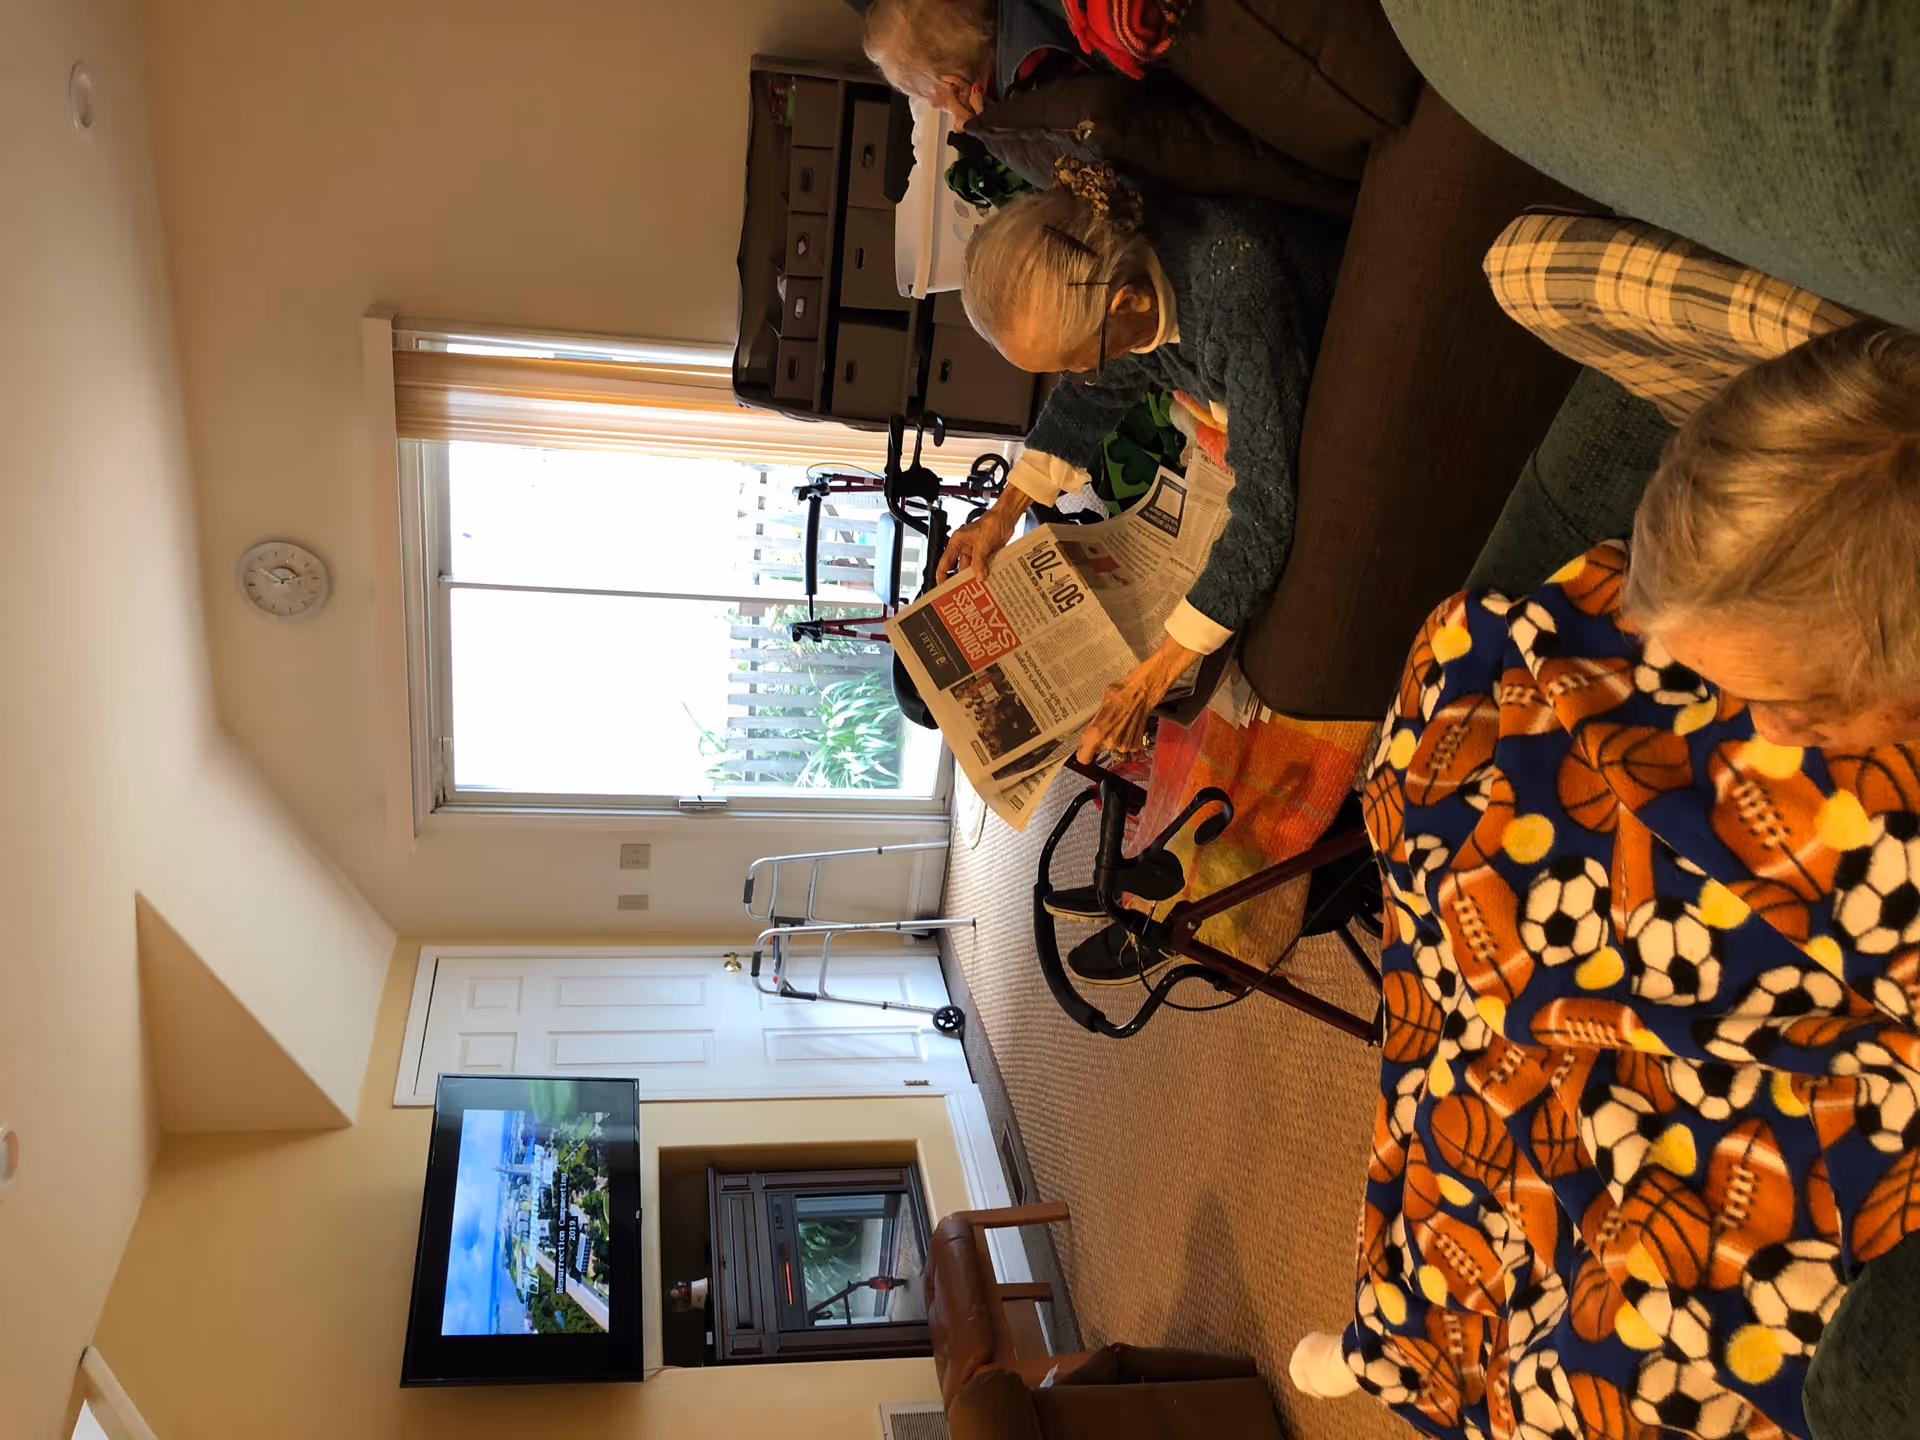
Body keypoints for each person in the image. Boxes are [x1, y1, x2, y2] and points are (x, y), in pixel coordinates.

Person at [1295, 322, 1920, 1440]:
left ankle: (1406, 1343)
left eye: (1799, 709)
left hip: (1811, 1037)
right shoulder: (1829, 515)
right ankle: (1398, 1335)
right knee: (1469, 1016)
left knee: (1645, 1307)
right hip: (1641, 873)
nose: (1774, 726)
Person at [940, 164, 1343, 762]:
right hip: (1241, 395)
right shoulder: (1122, 272)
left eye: (1078, 358)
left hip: (1320, 386)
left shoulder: (1234, 294)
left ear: (1127, 301)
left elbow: (1265, 516)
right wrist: (1002, 515)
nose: (1078, 375)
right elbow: (1095, 390)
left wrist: (1149, 679)